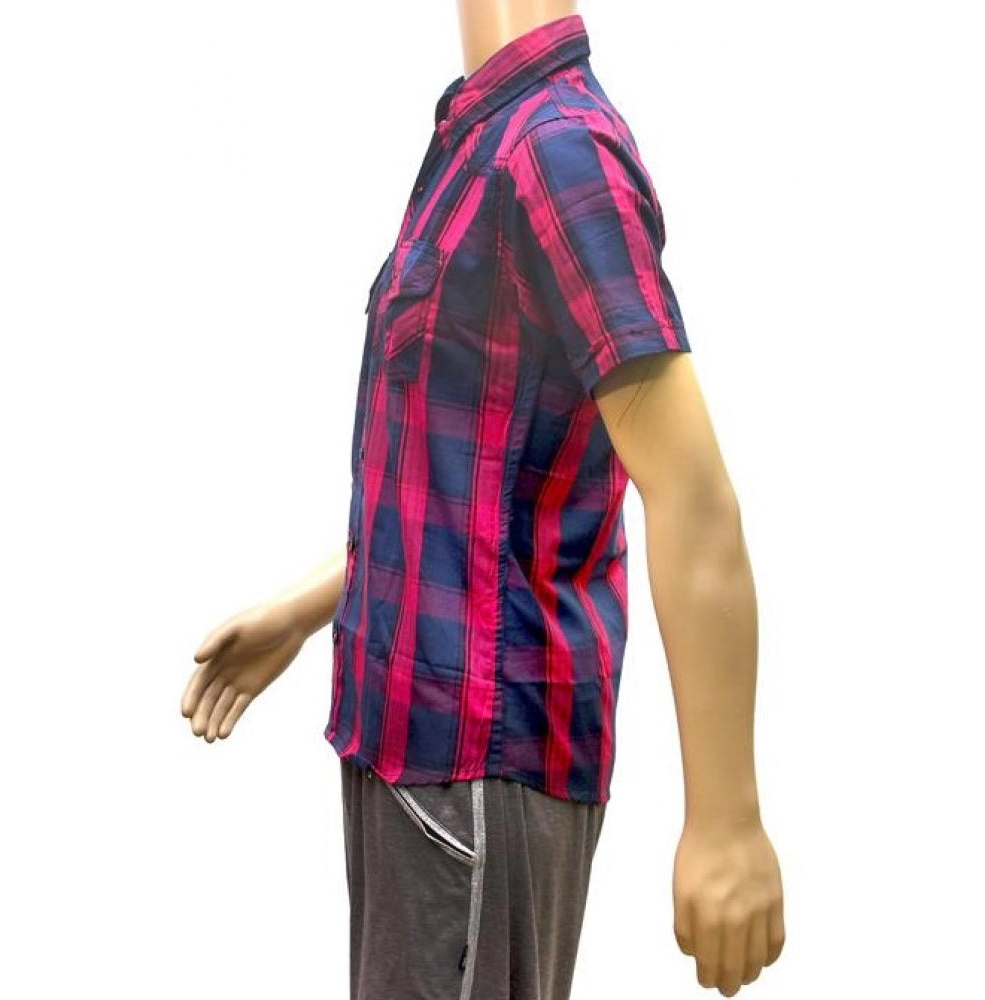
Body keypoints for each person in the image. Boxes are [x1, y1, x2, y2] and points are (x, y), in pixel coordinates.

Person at [180, 2, 785, 997]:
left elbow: (692, 494)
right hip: (399, 741)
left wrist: (726, 821)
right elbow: (470, 482)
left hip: (475, 761)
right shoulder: (479, 139)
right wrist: (307, 605)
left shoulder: (557, 151)